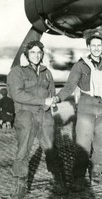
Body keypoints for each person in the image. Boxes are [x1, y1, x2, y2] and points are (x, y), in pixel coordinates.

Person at [53, 33, 102, 192]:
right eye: (93, 45)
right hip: (86, 107)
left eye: (99, 45)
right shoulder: (80, 65)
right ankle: (78, 178)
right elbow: (70, 86)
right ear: (89, 47)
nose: (96, 48)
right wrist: (57, 98)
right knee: (83, 144)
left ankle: (97, 173)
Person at [7, 40, 67, 198]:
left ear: (42, 54)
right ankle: (20, 182)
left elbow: (52, 91)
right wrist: (43, 101)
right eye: (32, 52)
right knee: (23, 150)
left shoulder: (46, 72)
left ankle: (58, 180)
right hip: (25, 115)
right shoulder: (17, 71)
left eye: (39, 52)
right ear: (26, 54)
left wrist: (52, 102)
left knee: (51, 149)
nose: (36, 55)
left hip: (45, 115)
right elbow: (17, 94)